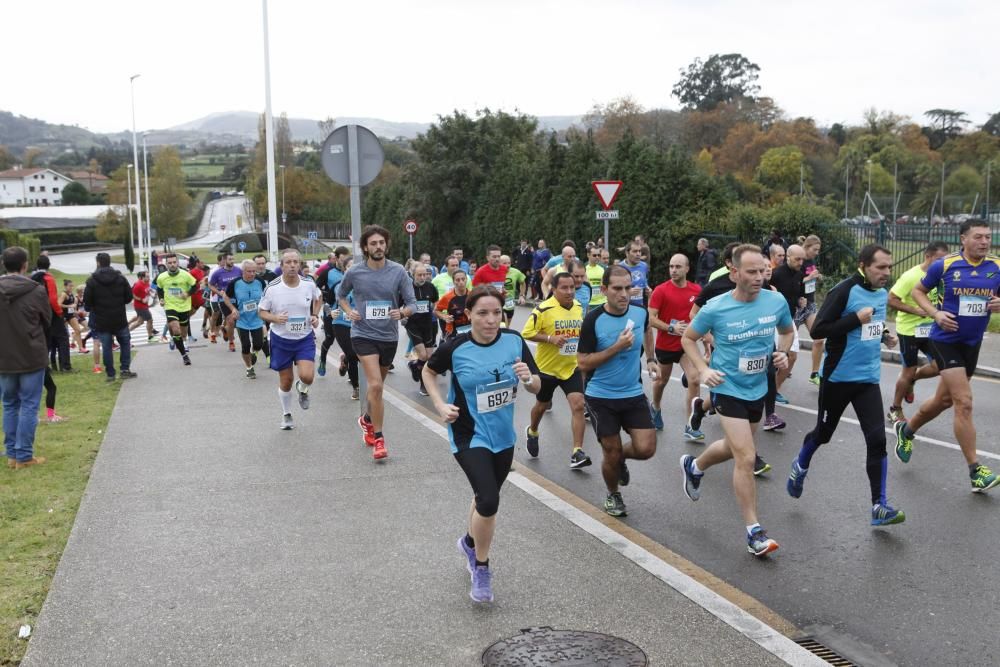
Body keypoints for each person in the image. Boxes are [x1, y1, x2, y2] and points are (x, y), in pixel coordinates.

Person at [422, 285, 541, 603]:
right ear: (469, 315)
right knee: (489, 500)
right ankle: (481, 567)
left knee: (484, 496)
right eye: (482, 313)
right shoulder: (456, 347)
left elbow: (537, 386)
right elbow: (428, 372)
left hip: (503, 436)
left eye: (496, 313)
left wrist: (528, 377)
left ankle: (469, 542)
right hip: (467, 433)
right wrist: (438, 404)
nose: (490, 320)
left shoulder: (514, 342)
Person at [679, 244, 793, 557]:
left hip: (758, 387)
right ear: (735, 272)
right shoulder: (716, 307)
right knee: (746, 456)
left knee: (733, 448)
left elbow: (787, 331)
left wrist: (782, 351)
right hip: (727, 388)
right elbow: (687, 338)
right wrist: (703, 370)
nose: (759, 277)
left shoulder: (775, 300)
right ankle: (754, 531)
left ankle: (695, 466)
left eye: (763, 271)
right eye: (752, 271)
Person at [787, 244, 905, 526]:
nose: (886, 273)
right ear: (863, 265)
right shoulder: (843, 290)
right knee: (824, 435)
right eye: (881, 267)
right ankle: (800, 464)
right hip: (838, 378)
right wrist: (855, 318)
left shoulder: (880, 294)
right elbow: (819, 330)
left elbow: (871, 324)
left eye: (889, 267)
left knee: (877, 440)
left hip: (868, 380)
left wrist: (884, 336)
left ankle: (879, 506)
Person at [893, 220, 1000, 492]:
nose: (985, 242)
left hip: (971, 343)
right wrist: (935, 314)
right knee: (963, 402)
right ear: (964, 239)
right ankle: (976, 470)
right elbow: (918, 291)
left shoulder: (996, 267)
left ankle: (907, 431)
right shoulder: (946, 265)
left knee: (943, 401)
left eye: (988, 237)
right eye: (978, 237)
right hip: (944, 340)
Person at [577, 265, 658, 517]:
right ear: (604, 290)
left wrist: (652, 359)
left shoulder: (640, 312)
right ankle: (613, 494)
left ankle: (618, 460)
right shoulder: (593, 320)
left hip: (632, 392)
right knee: (610, 451)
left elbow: (646, 329)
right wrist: (616, 347)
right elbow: (582, 362)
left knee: (646, 449)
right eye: (617, 289)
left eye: (628, 288)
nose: (624, 294)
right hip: (601, 396)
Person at [337, 225, 417, 459]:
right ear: (365, 247)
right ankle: (379, 439)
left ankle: (367, 419)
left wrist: (402, 313)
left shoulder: (399, 271)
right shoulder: (355, 272)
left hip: (388, 336)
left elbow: (412, 303)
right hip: (362, 334)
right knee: (375, 386)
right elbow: (341, 295)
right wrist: (349, 311)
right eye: (373, 243)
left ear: (386, 245)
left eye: (381, 243)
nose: (378, 247)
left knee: (376, 389)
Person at [521, 271, 591, 469]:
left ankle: (577, 452)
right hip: (547, 369)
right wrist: (551, 339)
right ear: (553, 289)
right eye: (564, 288)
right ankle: (532, 430)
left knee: (578, 405)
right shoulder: (543, 309)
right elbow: (527, 333)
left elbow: (580, 331)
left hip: (570, 367)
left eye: (572, 287)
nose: (570, 291)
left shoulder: (578, 307)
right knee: (542, 406)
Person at [259, 249, 323, 430]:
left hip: (304, 337)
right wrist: (275, 318)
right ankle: (286, 414)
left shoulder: (308, 284)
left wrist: (315, 315)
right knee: (286, 381)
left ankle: (302, 389)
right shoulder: (272, 288)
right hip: (281, 339)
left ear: (300, 265)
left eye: (296, 262)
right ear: (282, 266)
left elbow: (319, 298)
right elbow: (261, 311)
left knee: (307, 376)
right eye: (288, 262)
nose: (293, 265)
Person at [886, 241, 949, 423]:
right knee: (908, 370)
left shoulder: (943, 276)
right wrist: (915, 310)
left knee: (940, 366)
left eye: (945, 260)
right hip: (909, 331)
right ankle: (895, 409)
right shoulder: (911, 276)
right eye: (939, 260)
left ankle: (912, 381)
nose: (942, 264)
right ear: (927, 257)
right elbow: (891, 299)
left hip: (931, 329)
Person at [0, 246, 52, 468]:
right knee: (29, 405)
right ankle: (23, 455)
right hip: (31, 353)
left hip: (4, 356)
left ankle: (12, 453)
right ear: (25, 265)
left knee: (9, 404)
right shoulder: (36, 290)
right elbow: (46, 320)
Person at [648, 254, 703, 439]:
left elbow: (702, 316)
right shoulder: (661, 290)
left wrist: (706, 337)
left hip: (686, 346)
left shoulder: (696, 290)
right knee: (661, 381)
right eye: (671, 266)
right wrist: (671, 327)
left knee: (694, 379)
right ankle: (655, 407)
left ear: (687, 269)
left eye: (678, 266)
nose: (673, 270)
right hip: (666, 345)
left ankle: (691, 425)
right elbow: (651, 318)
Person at [84, 252, 136, 383]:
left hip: (102, 319)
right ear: (109, 262)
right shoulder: (120, 278)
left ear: (98, 263)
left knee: (106, 347)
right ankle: (125, 369)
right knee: (125, 343)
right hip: (119, 317)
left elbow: (87, 303)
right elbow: (129, 297)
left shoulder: (92, 281)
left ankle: (110, 373)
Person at [769, 244, 806, 407]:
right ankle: (765, 390)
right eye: (797, 259)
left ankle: (774, 390)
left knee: (792, 356)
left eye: (802, 259)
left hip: (789, 319)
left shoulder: (799, 274)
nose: (800, 262)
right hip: (773, 320)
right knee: (774, 358)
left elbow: (798, 293)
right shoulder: (776, 274)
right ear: (788, 257)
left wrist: (800, 300)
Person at [222, 260, 271, 380]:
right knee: (245, 345)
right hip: (242, 320)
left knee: (259, 344)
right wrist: (233, 309)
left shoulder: (259, 281)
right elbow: (225, 297)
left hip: (257, 318)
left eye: (254, 271)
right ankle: (249, 368)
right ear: (243, 271)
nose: (252, 274)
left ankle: (254, 353)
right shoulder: (236, 283)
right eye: (249, 271)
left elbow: (267, 296)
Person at [155, 253, 199, 366]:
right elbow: (159, 289)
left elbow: (195, 286)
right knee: (175, 329)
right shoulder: (161, 277)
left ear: (178, 263)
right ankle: (184, 355)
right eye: (170, 263)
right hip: (170, 306)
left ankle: (176, 339)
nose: (172, 265)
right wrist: (161, 299)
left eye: (174, 262)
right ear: (166, 264)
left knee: (183, 334)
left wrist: (188, 293)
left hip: (184, 307)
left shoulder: (186, 275)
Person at [316, 247, 351, 377]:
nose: (344, 263)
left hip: (348, 312)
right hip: (331, 310)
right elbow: (316, 288)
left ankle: (347, 362)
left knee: (353, 342)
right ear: (336, 258)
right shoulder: (328, 272)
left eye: (346, 260)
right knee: (330, 339)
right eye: (342, 260)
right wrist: (326, 304)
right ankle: (323, 360)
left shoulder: (352, 271)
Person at [32, 255, 70, 372]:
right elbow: (53, 299)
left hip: (37, 312)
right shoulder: (48, 278)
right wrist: (59, 313)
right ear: (48, 265)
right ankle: (65, 366)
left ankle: (45, 367)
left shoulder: (32, 278)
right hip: (51, 312)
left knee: (44, 340)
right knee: (63, 338)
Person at [405, 263, 439, 396]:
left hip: (427, 324)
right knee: (423, 355)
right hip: (412, 324)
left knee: (429, 356)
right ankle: (424, 385)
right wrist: (403, 315)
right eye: (419, 275)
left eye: (425, 274)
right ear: (413, 275)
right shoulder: (407, 288)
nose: (423, 277)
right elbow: (398, 302)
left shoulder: (430, 287)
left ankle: (414, 365)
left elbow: (436, 300)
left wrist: (434, 309)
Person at [799, 235, 825, 385]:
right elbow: (794, 281)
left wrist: (817, 276)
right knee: (788, 345)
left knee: (819, 338)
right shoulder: (798, 259)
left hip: (809, 304)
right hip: (796, 305)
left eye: (818, 250)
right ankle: (776, 370)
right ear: (807, 247)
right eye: (815, 249)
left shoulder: (811, 260)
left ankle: (815, 374)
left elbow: (810, 277)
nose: (817, 253)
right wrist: (809, 278)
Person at [209, 253, 243, 351]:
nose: (232, 261)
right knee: (231, 321)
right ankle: (231, 342)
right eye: (230, 259)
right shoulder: (218, 273)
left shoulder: (238, 270)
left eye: (233, 259)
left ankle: (226, 330)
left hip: (237, 298)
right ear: (224, 260)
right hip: (224, 299)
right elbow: (210, 285)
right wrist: (219, 292)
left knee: (238, 320)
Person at [436, 270, 471, 337]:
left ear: (466, 279)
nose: (461, 282)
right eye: (457, 280)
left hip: (471, 329)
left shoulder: (473, 295)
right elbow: (436, 311)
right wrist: (445, 317)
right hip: (453, 331)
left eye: (463, 279)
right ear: (453, 282)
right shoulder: (447, 297)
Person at [127, 271, 159, 341]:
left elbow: (147, 290)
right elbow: (132, 295)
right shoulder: (138, 285)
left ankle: (126, 332)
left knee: (140, 322)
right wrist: (141, 299)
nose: (149, 278)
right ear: (142, 277)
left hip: (144, 306)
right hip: (140, 306)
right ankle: (150, 336)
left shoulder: (146, 283)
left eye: (148, 276)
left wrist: (151, 293)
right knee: (149, 320)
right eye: (147, 276)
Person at [499, 254, 526, 325]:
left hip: (509, 301)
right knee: (503, 323)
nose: (507, 265)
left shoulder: (516, 272)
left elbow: (522, 283)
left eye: (509, 263)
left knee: (507, 325)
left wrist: (521, 295)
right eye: (504, 263)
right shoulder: (494, 272)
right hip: (498, 302)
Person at [61, 279, 85, 354]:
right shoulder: (63, 294)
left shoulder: (71, 294)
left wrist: (75, 311)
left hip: (71, 315)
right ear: (65, 286)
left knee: (77, 330)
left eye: (72, 286)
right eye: (69, 286)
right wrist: (69, 306)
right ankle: (63, 350)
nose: (71, 287)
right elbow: (58, 304)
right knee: (64, 334)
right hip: (63, 316)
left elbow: (73, 307)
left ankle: (81, 348)